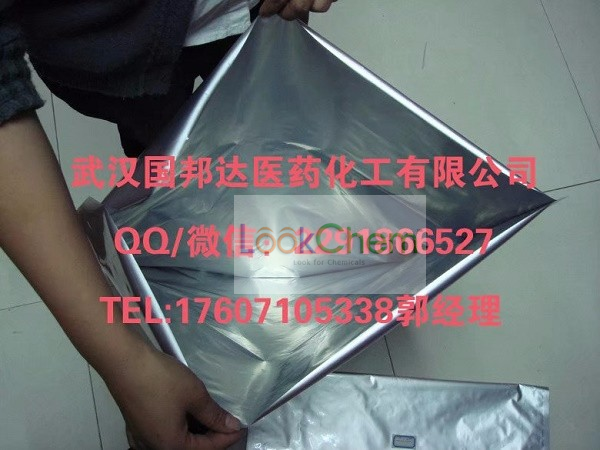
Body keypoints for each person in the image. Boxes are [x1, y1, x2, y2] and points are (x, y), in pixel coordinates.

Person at [0, 1, 336, 449]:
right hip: (117, 49)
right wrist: (126, 362)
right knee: (162, 158)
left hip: (257, 16)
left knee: (262, 141)